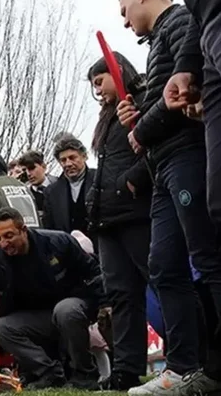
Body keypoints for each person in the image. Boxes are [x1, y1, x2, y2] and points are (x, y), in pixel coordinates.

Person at [117, 0, 221, 393]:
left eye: (125, 10)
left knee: (208, 257)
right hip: (162, 167)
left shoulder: (180, 22)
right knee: (163, 264)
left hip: (186, 156)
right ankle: (183, 366)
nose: (125, 22)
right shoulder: (161, 39)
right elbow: (167, 95)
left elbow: (185, 90)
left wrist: (142, 129)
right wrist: (140, 115)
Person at [0, 208, 105, 390]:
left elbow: (94, 273)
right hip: (39, 318)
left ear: (24, 230)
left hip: (73, 307)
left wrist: (105, 305)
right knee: (1, 328)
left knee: (65, 310)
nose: (4, 243)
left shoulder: (58, 242)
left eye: (9, 236)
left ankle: (84, 375)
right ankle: (48, 373)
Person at [87, 52, 157, 391]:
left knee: (162, 283)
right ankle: (127, 368)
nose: (98, 90)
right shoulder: (108, 116)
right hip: (108, 219)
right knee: (121, 295)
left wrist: (132, 180)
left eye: (100, 81)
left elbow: (157, 147)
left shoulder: (141, 102)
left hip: (137, 212)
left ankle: (194, 356)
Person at [43, 134, 96, 238]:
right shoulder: (51, 192)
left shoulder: (99, 180)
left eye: (72, 158)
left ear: (84, 156)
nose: (68, 164)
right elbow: (49, 228)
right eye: (63, 160)